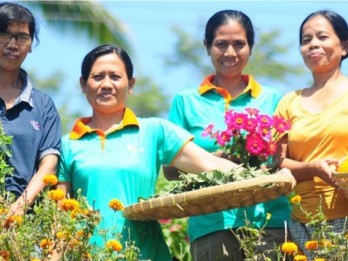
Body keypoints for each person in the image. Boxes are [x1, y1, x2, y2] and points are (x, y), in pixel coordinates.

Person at [56, 44, 239, 261]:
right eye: (97, 77)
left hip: (146, 255)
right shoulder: (67, 145)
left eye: (115, 76)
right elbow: (60, 217)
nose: (106, 84)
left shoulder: (154, 132)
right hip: (85, 256)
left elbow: (209, 164)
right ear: (83, 84)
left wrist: (265, 176)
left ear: (131, 84)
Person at [163, 9, 290, 261]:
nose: (230, 53)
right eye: (221, 44)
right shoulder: (186, 102)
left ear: (251, 48)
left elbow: (282, 159)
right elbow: (169, 169)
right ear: (207, 47)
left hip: (269, 222)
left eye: (239, 44)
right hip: (211, 226)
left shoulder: (275, 99)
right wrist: (215, 160)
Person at [275, 10, 348, 258]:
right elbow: (277, 164)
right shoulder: (289, 102)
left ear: (344, 47)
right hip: (302, 226)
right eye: (306, 40)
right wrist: (313, 167)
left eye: (322, 37)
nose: (313, 44)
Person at [0, 2, 61, 215]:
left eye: (22, 37)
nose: (13, 44)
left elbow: (49, 164)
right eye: (5, 34)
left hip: (22, 227)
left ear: (31, 45)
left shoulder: (43, 106)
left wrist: (19, 207)